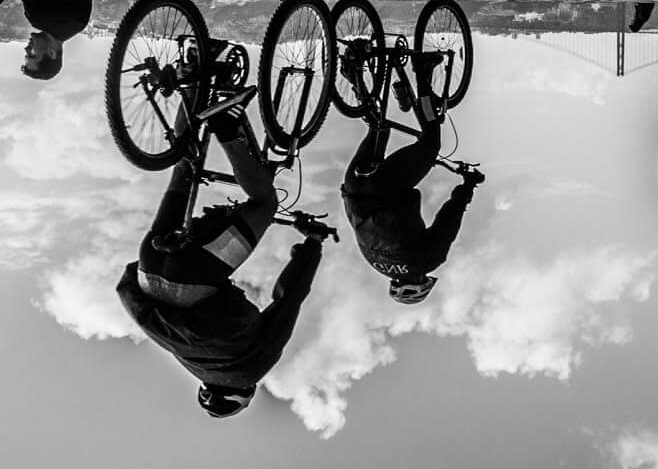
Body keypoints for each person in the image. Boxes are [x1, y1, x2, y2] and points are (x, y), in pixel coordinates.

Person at [115, 94, 320, 417]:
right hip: (148, 269)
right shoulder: (188, 359)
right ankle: (190, 87)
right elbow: (132, 298)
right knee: (184, 170)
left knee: (265, 204)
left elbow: (288, 299)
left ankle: (226, 127)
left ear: (244, 393)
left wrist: (312, 246)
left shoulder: (248, 370)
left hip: (196, 274)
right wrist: (138, 271)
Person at [339, 52, 481, 303]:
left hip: (386, 188)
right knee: (377, 127)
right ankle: (354, 73)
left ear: (421, 282)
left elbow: (449, 218)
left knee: (430, 143)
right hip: (353, 187)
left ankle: (423, 75)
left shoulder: (426, 262)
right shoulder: (376, 265)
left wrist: (468, 185)